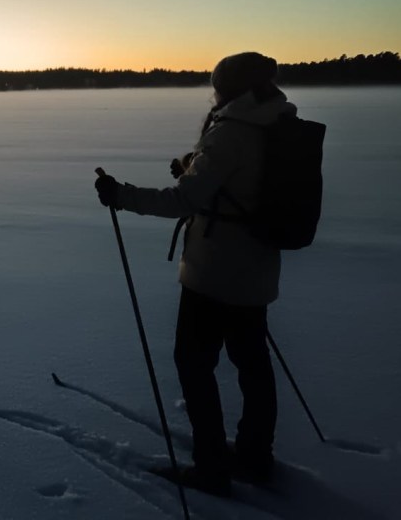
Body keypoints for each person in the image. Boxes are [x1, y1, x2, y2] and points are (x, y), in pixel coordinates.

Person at [94, 51, 295, 497]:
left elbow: (183, 202)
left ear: (231, 87)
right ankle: (255, 456)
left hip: (215, 273)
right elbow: (240, 184)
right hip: (257, 269)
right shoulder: (276, 122)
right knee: (253, 367)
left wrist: (120, 195)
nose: (214, 91)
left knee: (194, 365)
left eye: (218, 83)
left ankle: (211, 469)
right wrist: (193, 168)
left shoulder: (231, 131)